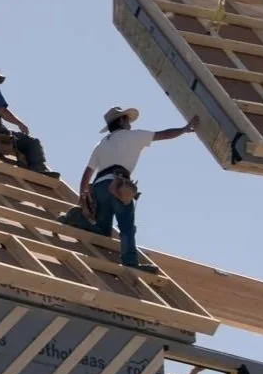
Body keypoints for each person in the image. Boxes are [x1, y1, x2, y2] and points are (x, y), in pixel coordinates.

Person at [76, 106, 199, 273]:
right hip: (118, 185)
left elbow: (87, 173)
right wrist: (184, 129)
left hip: (99, 187)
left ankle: (77, 221)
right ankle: (130, 263)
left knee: (102, 231)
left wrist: (82, 195)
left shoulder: (102, 143)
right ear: (121, 121)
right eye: (127, 119)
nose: (129, 123)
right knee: (127, 226)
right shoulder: (133, 136)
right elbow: (164, 134)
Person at [0, 66, 59, 177]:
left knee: (17, 142)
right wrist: (20, 124)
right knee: (31, 142)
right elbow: (1, 111)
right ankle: (38, 171)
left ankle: (25, 165)